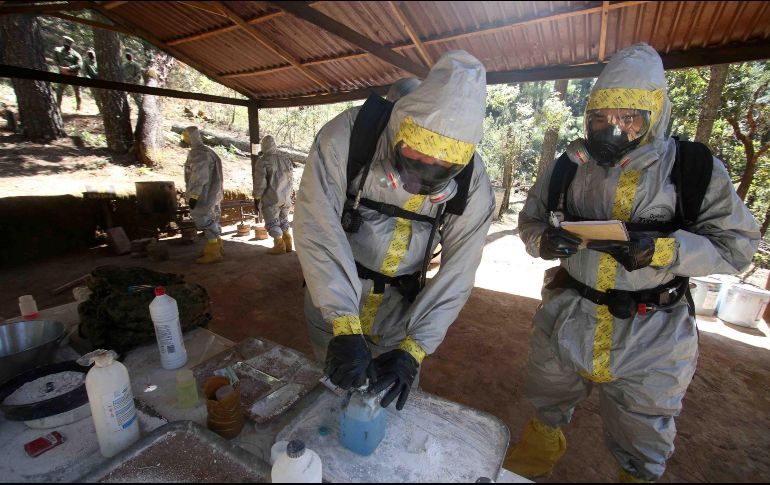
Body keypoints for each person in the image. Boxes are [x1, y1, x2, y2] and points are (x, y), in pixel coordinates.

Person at [510, 43, 760, 482]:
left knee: (642, 429)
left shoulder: (692, 169)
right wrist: (543, 241)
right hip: (568, 315)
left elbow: (737, 247)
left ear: (654, 117)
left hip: (653, 334)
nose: (613, 129)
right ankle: (534, 457)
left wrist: (664, 250)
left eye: (629, 118)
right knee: (547, 395)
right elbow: (530, 221)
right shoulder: (569, 167)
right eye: (601, 118)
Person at [294, 50, 495, 411]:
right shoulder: (348, 136)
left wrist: (415, 348)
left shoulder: (473, 180)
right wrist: (343, 324)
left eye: (442, 165)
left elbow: (460, 270)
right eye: (416, 153)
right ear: (401, 125)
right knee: (333, 397)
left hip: (399, 315)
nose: (424, 171)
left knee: (388, 407)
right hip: (331, 299)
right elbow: (316, 226)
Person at [183, 126, 224, 264]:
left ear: (190, 137)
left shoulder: (197, 153)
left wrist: (194, 195)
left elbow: (199, 176)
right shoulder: (209, 151)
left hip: (204, 194)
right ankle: (218, 245)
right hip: (214, 193)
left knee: (204, 218)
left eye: (185, 135)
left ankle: (213, 251)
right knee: (213, 219)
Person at [253, 135, 294, 254]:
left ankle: (279, 245)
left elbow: (260, 182)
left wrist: (257, 196)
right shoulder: (285, 160)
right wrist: (290, 194)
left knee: (272, 221)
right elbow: (291, 179)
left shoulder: (263, 161)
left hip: (272, 198)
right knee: (284, 219)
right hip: (286, 198)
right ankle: (288, 242)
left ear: (263, 146)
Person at [53, 36, 82, 111]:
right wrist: (60, 68)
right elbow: (55, 60)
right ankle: (58, 108)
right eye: (65, 45)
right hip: (63, 75)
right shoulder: (57, 50)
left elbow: (79, 65)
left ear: (71, 45)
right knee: (59, 92)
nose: (67, 47)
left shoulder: (76, 54)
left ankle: (78, 107)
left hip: (74, 76)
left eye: (68, 45)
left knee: (78, 93)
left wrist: (68, 69)